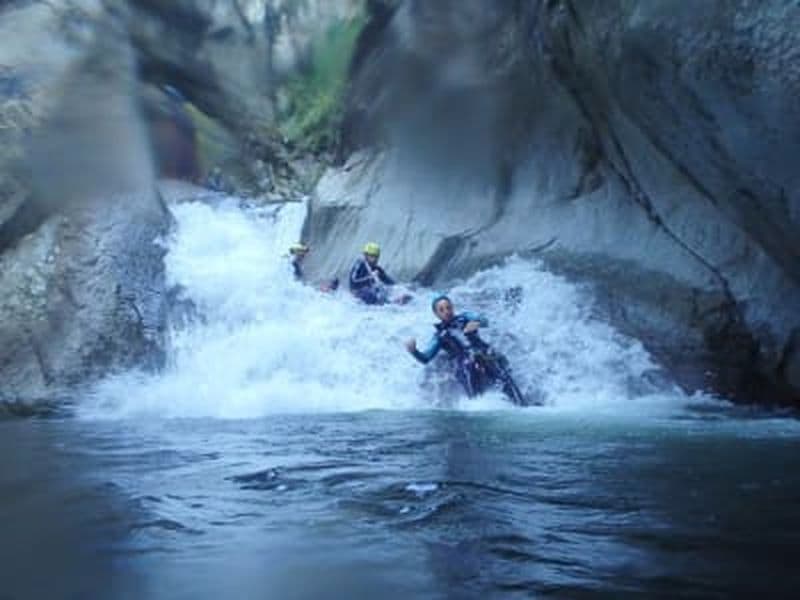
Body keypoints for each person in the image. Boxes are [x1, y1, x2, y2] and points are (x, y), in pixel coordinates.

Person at [405, 294, 527, 404]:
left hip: (483, 354)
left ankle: (520, 402)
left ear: (453, 308)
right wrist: (414, 351)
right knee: (467, 365)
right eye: (441, 310)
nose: (446, 311)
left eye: (448, 307)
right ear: (436, 314)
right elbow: (425, 358)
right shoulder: (440, 336)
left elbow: (484, 319)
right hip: (465, 365)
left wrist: (478, 323)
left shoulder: (465, 317)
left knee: (497, 369)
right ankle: (477, 405)